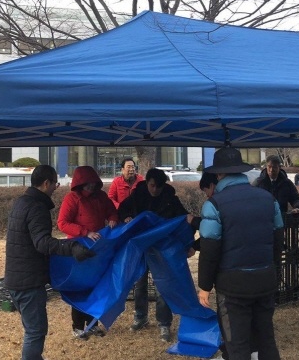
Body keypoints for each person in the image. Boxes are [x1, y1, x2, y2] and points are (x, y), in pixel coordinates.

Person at [198, 147, 283, 360]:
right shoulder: (268, 199)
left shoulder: (214, 205)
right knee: (266, 338)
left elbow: (210, 250)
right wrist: (272, 270)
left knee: (237, 343)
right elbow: (278, 241)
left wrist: (204, 287)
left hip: (232, 285)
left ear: (218, 174)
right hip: (265, 279)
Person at [4, 165, 95, 360]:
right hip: (28, 282)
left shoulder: (21, 202)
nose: (56, 187)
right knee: (35, 331)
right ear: (46, 183)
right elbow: (42, 243)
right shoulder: (37, 207)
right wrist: (71, 248)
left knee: (32, 328)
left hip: (16, 277)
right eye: (55, 183)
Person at [118, 167, 199, 342]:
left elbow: (184, 219)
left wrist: (189, 244)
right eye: (152, 185)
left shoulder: (170, 198)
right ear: (147, 183)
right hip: (141, 247)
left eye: (159, 187)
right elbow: (122, 209)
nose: (155, 190)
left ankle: (164, 323)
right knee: (139, 282)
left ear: (164, 186)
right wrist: (125, 218)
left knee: (164, 285)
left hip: (162, 248)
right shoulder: (137, 196)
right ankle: (140, 316)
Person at [57, 165, 118, 340]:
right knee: (79, 286)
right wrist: (85, 232)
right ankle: (77, 327)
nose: (90, 187)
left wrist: (113, 218)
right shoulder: (72, 199)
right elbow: (62, 223)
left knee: (95, 286)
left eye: (93, 183)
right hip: (79, 249)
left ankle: (92, 325)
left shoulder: (101, 197)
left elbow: (111, 211)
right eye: (87, 184)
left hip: (98, 250)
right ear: (79, 184)